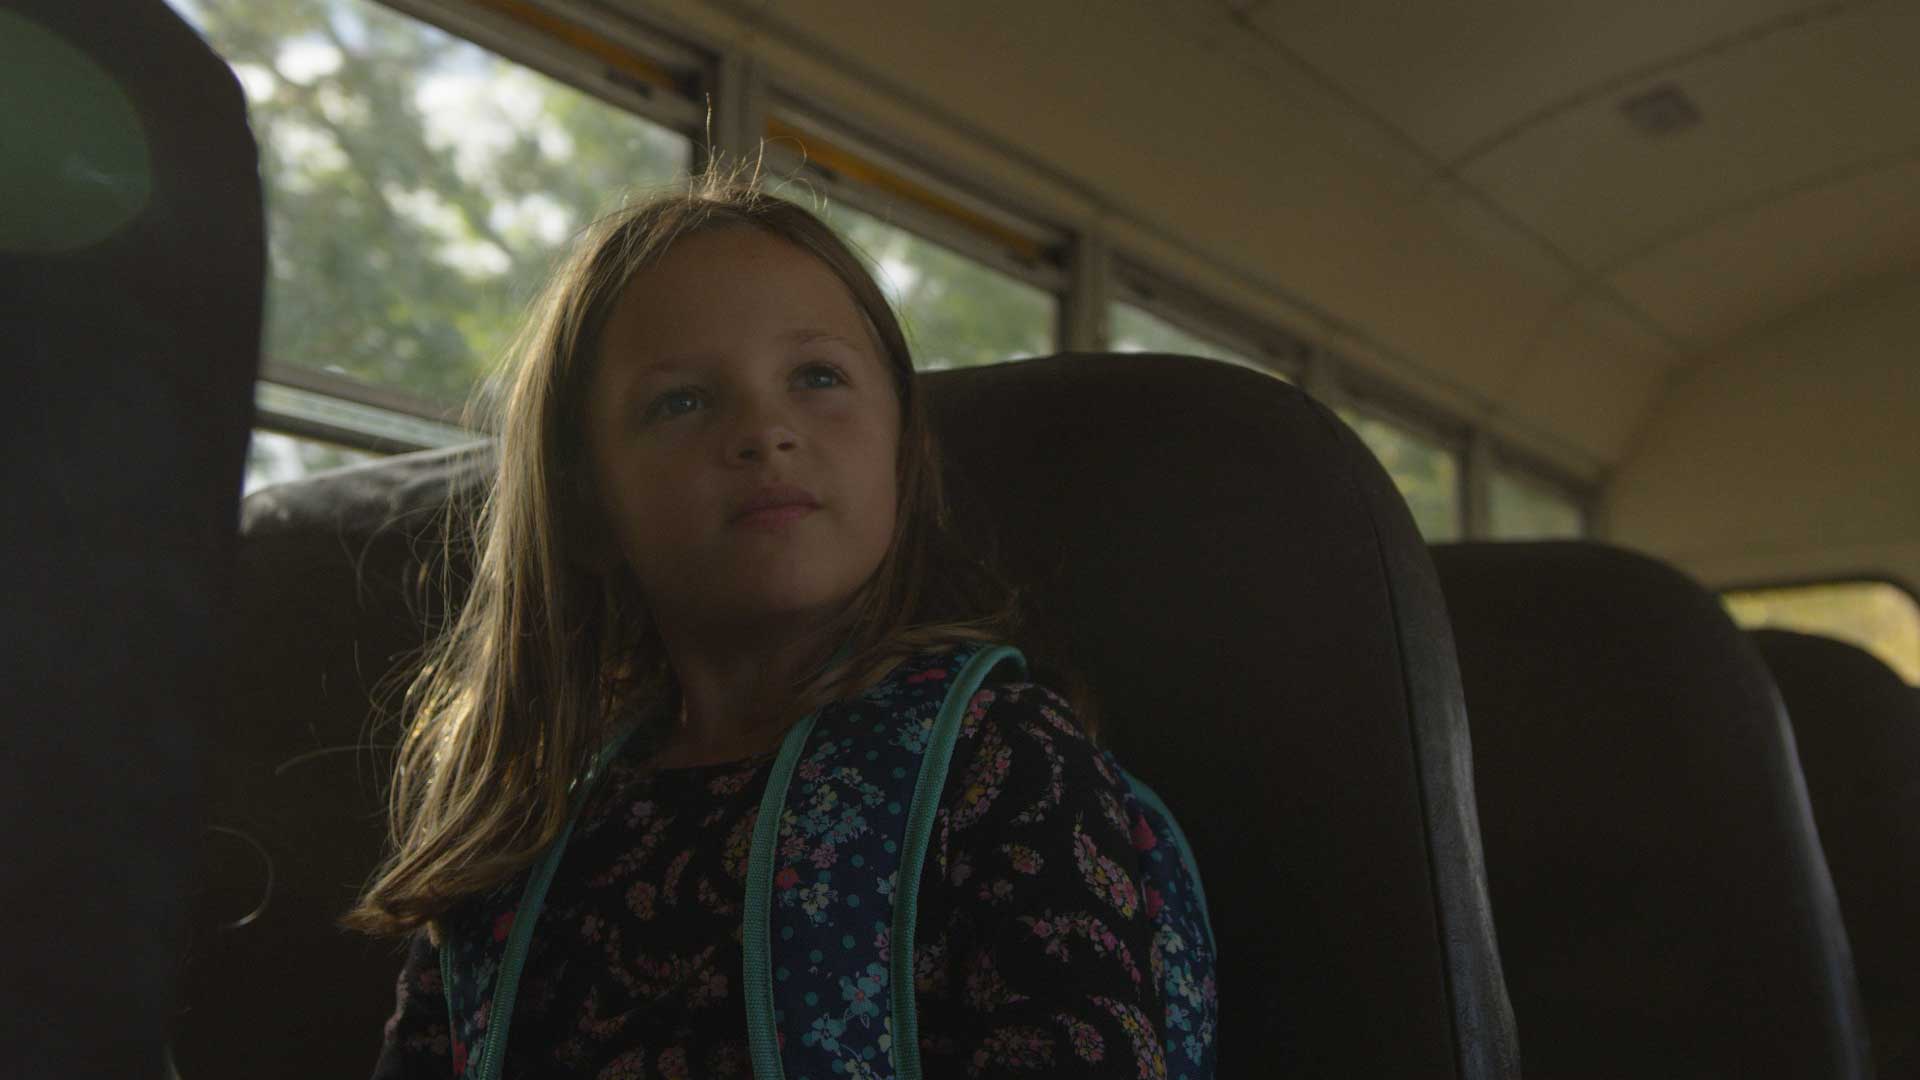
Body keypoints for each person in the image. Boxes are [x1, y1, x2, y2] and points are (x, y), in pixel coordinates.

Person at [348, 167, 1175, 1079]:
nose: (764, 430)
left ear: (906, 453)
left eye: (816, 376)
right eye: (683, 401)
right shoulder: (525, 822)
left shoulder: (1003, 763)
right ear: (586, 506)